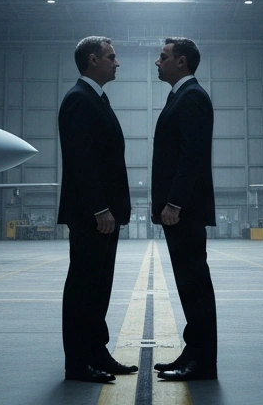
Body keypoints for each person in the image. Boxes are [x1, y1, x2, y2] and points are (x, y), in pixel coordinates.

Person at [58, 36, 136, 383]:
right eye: (111, 56)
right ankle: (77, 363)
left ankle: (96, 352)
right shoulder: (79, 99)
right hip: (93, 215)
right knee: (83, 287)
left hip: (105, 215)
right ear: (93, 60)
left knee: (99, 287)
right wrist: (100, 209)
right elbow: (82, 162)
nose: (116, 62)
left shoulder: (96, 99)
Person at [150, 36, 218, 381]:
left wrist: (174, 203)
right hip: (180, 210)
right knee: (189, 287)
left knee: (195, 286)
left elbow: (191, 155)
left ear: (181, 62)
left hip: (185, 210)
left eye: (163, 56)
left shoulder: (192, 97)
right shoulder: (180, 96)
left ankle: (203, 362)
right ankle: (193, 352)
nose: (157, 61)